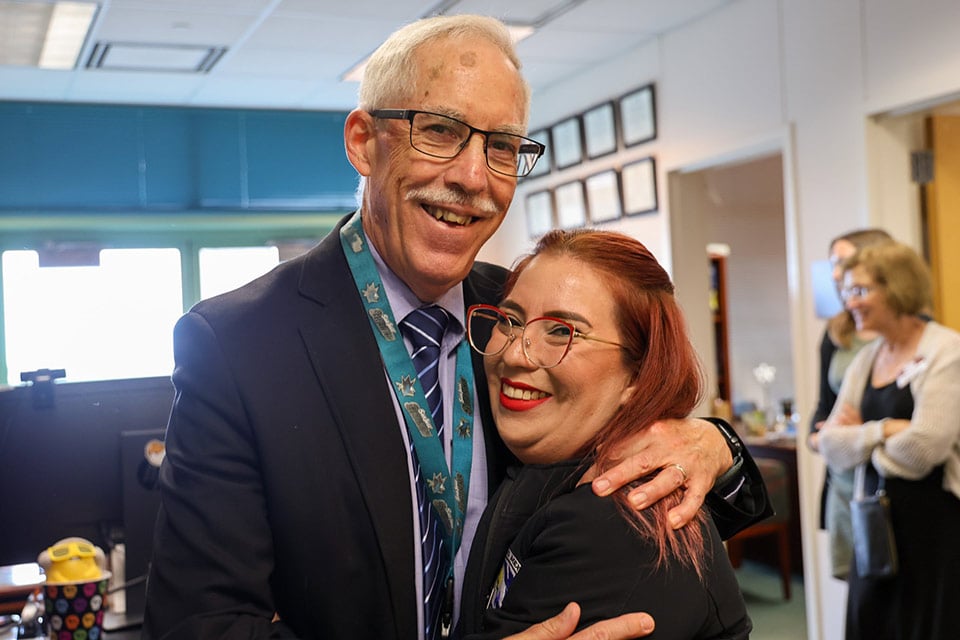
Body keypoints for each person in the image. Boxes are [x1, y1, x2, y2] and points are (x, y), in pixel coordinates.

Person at [143, 14, 769, 640]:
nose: (473, 178)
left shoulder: (516, 319)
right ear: (364, 141)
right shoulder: (241, 344)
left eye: (500, 147)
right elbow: (199, 624)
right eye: (439, 131)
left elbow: (654, 493)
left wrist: (716, 445)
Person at [456, 229, 752, 638]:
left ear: (637, 374)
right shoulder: (556, 463)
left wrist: (719, 440)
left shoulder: (612, 523)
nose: (512, 353)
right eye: (510, 320)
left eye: (562, 331)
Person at [810, 241, 960, 639]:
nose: (850, 302)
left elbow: (925, 449)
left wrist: (860, 442)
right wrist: (885, 430)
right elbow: (830, 445)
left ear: (895, 288)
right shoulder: (867, 358)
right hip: (873, 522)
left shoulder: (946, 350)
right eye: (847, 291)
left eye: (860, 290)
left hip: (934, 529)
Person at [808, 228, 891, 579]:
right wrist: (822, 437)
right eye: (833, 266)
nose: (836, 275)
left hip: (891, 486)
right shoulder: (836, 334)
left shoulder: (918, 336)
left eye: (843, 263)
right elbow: (821, 415)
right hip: (844, 489)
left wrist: (861, 432)